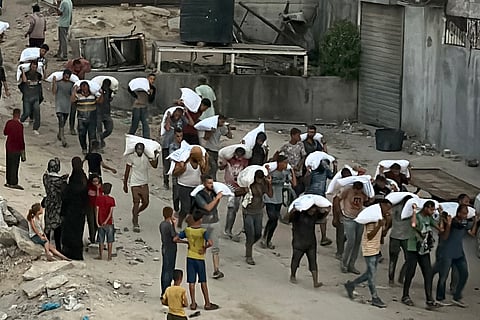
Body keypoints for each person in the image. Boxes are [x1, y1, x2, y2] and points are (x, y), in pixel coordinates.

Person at [344, 200, 393, 308]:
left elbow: (383, 234)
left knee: (369, 274)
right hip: (369, 249)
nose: (388, 210)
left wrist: (387, 223)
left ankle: (351, 285)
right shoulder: (372, 219)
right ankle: (374, 297)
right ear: (382, 206)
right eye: (387, 208)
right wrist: (378, 225)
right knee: (371, 275)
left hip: (375, 249)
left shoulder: (379, 218)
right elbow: (370, 236)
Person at [401, 201, 442, 309]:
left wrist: (442, 215)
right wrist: (414, 210)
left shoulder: (429, 218)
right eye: (431, 209)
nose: (432, 212)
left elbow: (439, 228)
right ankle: (405, 295)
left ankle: (429, 299)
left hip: (424, 250)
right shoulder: (418, 216)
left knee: (427, 274)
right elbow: (413, 224)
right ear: (425, 208)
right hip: (413, 248)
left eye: (434, 210)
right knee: (410, 273)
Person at [435, 204, 478, 307]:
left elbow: (472, 233)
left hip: (458, 253)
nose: (465, 215)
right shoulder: (453, 222)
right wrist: (448, 223)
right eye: (464, 213)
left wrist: (475, 221)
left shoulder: (464, 222)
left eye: (466, 213)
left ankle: (457, 296)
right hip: (447, 252)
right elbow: (444, 236)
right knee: (443, 276)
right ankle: (439, 298)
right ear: (458, 213)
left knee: (464, 274)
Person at [176, 210, 219, 311]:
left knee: (191, 281)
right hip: (199, 258)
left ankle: (193, 303)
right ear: (200, 220)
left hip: (190, 256)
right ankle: (207, 303)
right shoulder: (203, 231)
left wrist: (186, 242)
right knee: (203, 281)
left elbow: (175, 239)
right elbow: (210, 243)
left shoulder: (187, 230)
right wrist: (204, 248)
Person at [287, 205, 328, 288]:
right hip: (299, 242)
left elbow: (323, 216)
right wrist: (292, 211)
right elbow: (286, 219)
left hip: (310, 242)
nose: (313, 210)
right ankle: (293, 275)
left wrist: (326, 210)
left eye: (314, 209)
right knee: (296, 260)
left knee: (313, 262)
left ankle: (315, 282)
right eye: (312, 209)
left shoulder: (315, 214)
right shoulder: (297, 214)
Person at [123, 143, 159, 232]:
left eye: (141, 149)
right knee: (136, 201)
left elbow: (154, 166)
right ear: (135, 149)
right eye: (138, 149)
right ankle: (135, 223)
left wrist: (156, 156)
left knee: (146, 202)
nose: (139, 151)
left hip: (144, 182)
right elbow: (127, 171)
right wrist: (125, 184)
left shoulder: (146, 157)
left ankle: (136, 213)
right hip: (134, 182)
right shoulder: (131, 157)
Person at [261, 156, 296, 249]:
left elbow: (294, 184)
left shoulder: (285, 173)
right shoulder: (272, 171)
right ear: (278, 163)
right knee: (272, 217)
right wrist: (267, 171)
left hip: (278, 199)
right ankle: (264, 237)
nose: (285, 165)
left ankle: (268, 239)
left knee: (275, 221)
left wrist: (292, 172)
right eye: (284, 162)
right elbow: (265, 180)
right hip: (269, 197)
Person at [194, 175, 224, 279]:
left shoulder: (215, 193)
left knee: (215, 247)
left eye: (212, 183)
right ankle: (197, 268)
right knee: (201, 246)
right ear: (204, 184)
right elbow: (207, 207)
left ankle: (216, 270)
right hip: (203, 223)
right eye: (209, 183)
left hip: (214, 222)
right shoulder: (199, 195)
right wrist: (217, 198)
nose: (211, 185)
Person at [242, 170, 273, 265]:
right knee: (250, 233)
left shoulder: (264, 184)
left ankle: (249, 245)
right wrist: (245, 190)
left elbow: (270, 195)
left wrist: (269, 184)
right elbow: (238, 193)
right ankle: (249, 255)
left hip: (259, 211)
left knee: (258, 233)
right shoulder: (249, 184)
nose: (259, 180)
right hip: (248, 211)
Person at [173, 146, 208, 228]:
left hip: (195, 188)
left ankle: (188, 224)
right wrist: (181, 168)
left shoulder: (200, 163)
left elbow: (204, 172)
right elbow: (175, 173)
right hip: (184, 187)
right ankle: (182, 223)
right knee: (186, 207)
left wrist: (207, 161)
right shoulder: (184, 163)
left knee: (193, 208)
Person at [339, 182, 370, 274]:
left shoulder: (364, 193)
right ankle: (344, 262)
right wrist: (339, 213)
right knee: (351, 241)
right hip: (348, 218)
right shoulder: (347, 190)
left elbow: (367, 200)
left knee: (357, 242)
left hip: (359, 218)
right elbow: (338, 199)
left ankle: (351, 264)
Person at [305, 159, 337, 246]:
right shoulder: (313, 171)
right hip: (314, 195)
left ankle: (321, 237)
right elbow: (307, 183)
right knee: (318, 216)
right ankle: (321, 237)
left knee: (321, 216)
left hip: (316, 195)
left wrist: (335, 166)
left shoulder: (321, 171)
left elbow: (333, 176)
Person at [61, 157, 88, 260]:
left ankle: (70, 253)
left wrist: (64, 186)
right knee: (78, 233)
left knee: (70, 233)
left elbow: (69, 194)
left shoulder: (75, 179)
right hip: (80, 211)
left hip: (71, 211)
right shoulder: (83, 177)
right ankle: (77, 254)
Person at [219, 147, 249, 240]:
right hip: (230, 187)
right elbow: (221, 167)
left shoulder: (246, 162)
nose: (238, 158)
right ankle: (228, 230)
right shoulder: (229, 159)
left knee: (236, 208)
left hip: (240, 187)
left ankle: (230, 229)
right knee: (232, 208)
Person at [71, 81, 103, 155]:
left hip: (92, 119)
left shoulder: (93, 96)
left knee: (92, 135)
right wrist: (74, 91)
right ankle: (84, 148)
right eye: (83, 88)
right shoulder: (78, 96)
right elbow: (72, 100)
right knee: (82, 135)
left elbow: (100, 101)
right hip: (81, 119)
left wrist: (101, 94)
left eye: (86, 87)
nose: (84, 89)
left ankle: (91, 150)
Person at [388, 195, 414, 286]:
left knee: (393, 260)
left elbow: (390, 220)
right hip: (405, 237)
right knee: (409, 258)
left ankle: (391, 279)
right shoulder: (411, 211)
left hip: (395, 235)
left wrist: (386, 230)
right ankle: (401, 277)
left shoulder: (396, 208)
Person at [43, 158, 68, 249]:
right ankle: (58, 247)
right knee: (57, 226)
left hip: (48, 202)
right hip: (57, 204)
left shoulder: (45, 177)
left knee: (48, 225)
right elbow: (63, 190)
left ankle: (46, 246)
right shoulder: (59, 181)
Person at [161, 106, 186, 189]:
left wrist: (185, 114)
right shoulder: (169, 120)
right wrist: (168, 117)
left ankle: (175, 182)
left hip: (177, 145)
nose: (178, 114)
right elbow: (167, 127)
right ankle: (166, 182)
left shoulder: (181, 121)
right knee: (166, 165)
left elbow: (189, 123)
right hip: (167, 145)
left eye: (180, 112)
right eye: (177, 112)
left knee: (176, 164)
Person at [65, 58, 91, 135]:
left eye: (79, 67)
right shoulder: (70, 69)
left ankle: (80, 127)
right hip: (73, 90)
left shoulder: (84, 66)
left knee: (81, 111)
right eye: (76, 67)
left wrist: (82, 71)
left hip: (82, 91)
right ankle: (71, 128)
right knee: (73, 111)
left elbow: (88, 70)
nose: (78, 69)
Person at [278, 128, 306, 196]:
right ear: (292, 136)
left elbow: (303, 156)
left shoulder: (300, 145)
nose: (299, 137)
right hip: (288, 171)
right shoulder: (286, 145)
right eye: (297, 135)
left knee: (297, 188)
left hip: (298, 171)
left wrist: (299, 165)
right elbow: (278, 153)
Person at [203, 115, 232, 180]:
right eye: (221, 121)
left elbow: (230, 136)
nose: (222, 123)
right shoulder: (210, 126)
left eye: (223, 122)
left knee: (214, 168)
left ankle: (211, 180)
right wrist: (211, 131)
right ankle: (211, 180)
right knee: (213, 167)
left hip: (216, 150)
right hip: (209, 149)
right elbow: (206, 138)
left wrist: (228, 128)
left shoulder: (222, 128)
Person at [332, 168, 353, 260]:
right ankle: (339, 252)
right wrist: (336, 216)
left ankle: (341, 248)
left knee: (347, 234)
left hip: (350, 211)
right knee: (340, 233)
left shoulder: (351, 186)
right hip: (341, 211)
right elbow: (335, 202)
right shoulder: (340, 186)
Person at [128, 73, 156, 138]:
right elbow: (130, 89)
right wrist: (135, 96)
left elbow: (151, 100)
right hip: (137, 106)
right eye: (150, 79)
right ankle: (130, 135)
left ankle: (146, 137)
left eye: (153, 79)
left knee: (145, 122)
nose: (152, 81)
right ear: (147, 79)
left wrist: (150, 94)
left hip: (144, 107)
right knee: (135, 123)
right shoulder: (140, 86)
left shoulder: (152, 89)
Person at [3, 108, 25, 190]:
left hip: (9, 146)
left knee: (9, 163)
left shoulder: (9, 123)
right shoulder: (20, 126)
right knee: (15, 165)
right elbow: (21, 138)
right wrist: (23, 149)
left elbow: (5, 133)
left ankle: (8, 181)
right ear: (19, 115)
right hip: (17, 147)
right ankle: (13, 182)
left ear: (13, 114)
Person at [19, 60, 43, 135]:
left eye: (35, 67)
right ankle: (20, 122)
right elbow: (24, 80)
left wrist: (43, 68)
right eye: (32, 67)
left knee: (37, 112)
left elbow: (43, 79)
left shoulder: (38, 75)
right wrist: (22, 71)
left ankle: (36, 128)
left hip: (35, 96)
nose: (34, 68)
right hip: (27, 97)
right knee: (27, 112)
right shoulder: (26, 74)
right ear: (30, 66)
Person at [160, 207, 179, 296]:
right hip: (170, 248)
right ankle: (166, 291)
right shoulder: (168, 225)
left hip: (164, 247)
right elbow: (174, 237)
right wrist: (174, 225)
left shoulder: (162, 224)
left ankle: (163, 290)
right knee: (169, 269)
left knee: (165, 269)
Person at [52, 69, 73, 147]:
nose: (67, 77)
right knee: (61, 120)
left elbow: (72, 94)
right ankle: (63, 139)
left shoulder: (71, 84)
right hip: (59, 105)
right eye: (66, 75)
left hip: (67, 106)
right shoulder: (58, 83)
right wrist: (54, 82)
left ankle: (60, 134)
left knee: (63, 123)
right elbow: (54, 92)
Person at [95, 182, 115, 261]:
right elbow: (111, 212)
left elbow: (97, 210)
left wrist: (97, 222)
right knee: (110, 240)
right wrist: (106, 221)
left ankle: (100, 255)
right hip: (109, 222)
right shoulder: (112, 200)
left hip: (100, 221)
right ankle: (109, 256)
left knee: (101, 240)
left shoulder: (99, 199)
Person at [169, 128, 184, 215]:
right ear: (175, 136)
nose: (179, 138)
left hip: (183, 172)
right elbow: (172, 157)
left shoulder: (184, 146)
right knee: (176, 192)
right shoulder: (172, 146)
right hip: (176, 170)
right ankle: (176, 209)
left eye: (181, 136)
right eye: (178, 136)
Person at [97, 78, 114, 149]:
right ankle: (99, 145)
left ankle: (100, 139)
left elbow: (110, 99)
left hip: (107, 113)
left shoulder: (110, 91)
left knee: (109, 129)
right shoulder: (98, 91)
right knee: (99, 130)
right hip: (98, 113)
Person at [86, 174, 102, 244]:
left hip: (98, 207)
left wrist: (98, 189)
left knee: (97, 222)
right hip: (90, 207)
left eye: (97, 181)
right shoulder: (88, 187)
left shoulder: (100, 188)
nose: (96, 183)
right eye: (94, 181)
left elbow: (99, 198)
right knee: (91, 222)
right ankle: (92, 238)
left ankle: (98, 238)